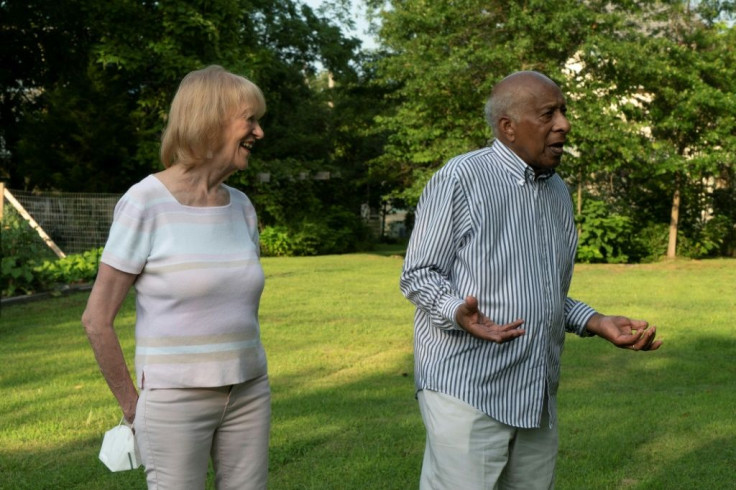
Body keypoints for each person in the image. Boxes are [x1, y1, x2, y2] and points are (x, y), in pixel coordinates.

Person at [399, 71, 663, 490]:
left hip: (536, 389)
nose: (564, 124)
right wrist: (457, 312)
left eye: (563, 111)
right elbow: (418, 273)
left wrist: (594, 321)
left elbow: (544, 290)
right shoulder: (461, 179)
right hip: (468, 386)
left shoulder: (558, 191)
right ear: (508, 127)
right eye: (548, 114)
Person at [82, 65, 270, 489]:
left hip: (249, 390)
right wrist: (134, 409)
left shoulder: (241, 206)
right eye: (250, 120)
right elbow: (96, 320)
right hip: (172, 400)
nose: (259, 133)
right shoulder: (144, 202)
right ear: (212, 120)